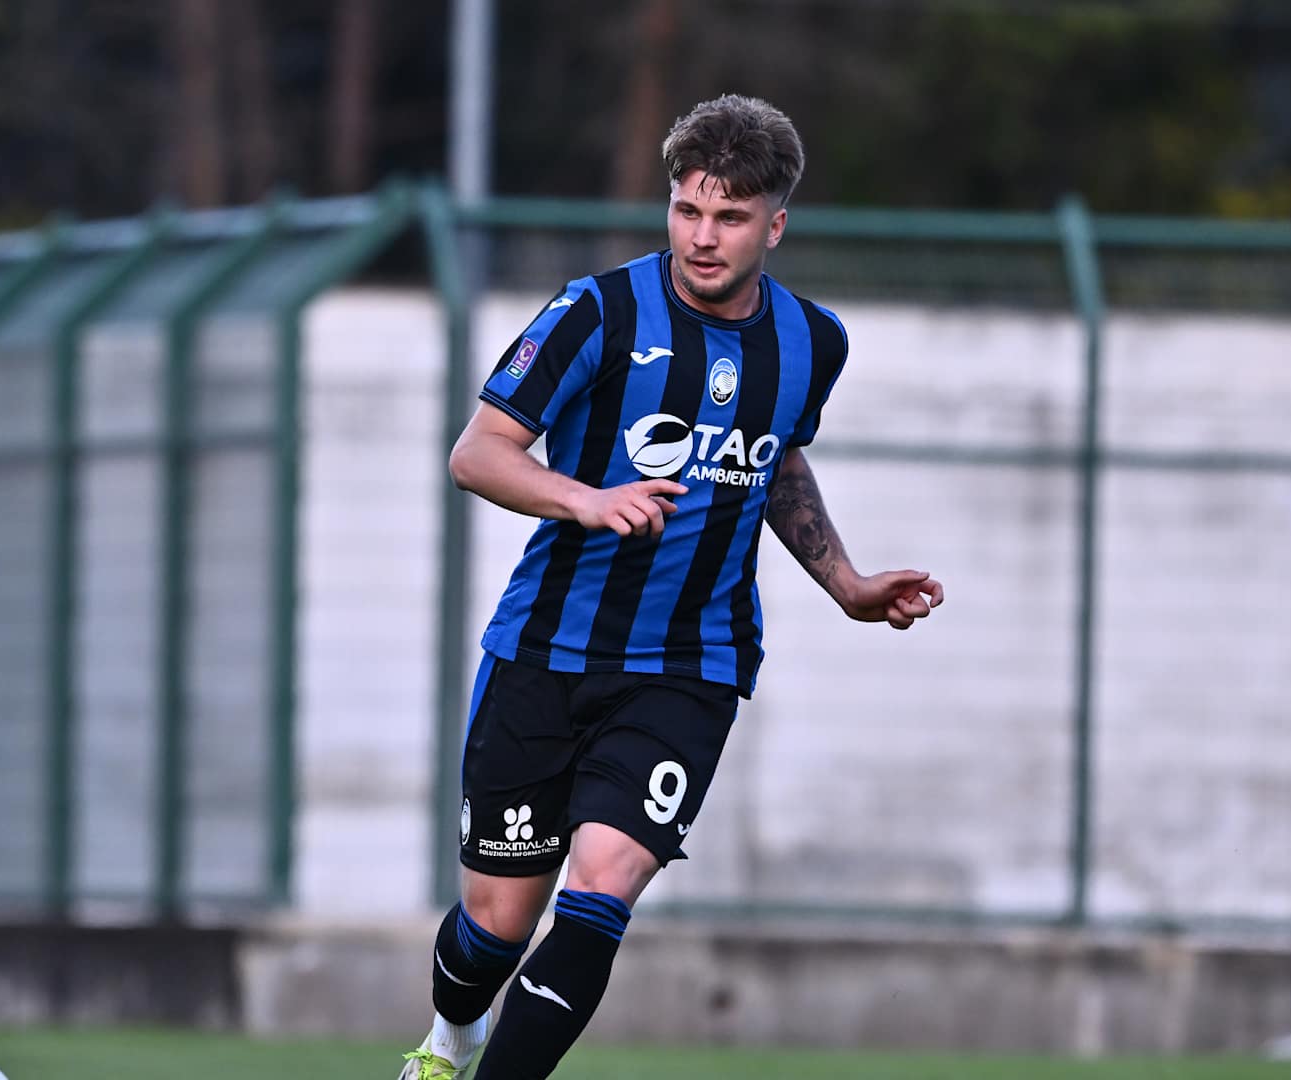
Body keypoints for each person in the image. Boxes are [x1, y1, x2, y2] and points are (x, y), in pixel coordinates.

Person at [399, 94, 944, 1080]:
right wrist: (583, 497)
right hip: (545, 650)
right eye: (688, 209)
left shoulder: (813, 342)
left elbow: (775, 460)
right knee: (494, 926)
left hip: (691, 665)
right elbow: (478, 453)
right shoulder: (597, 312)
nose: (703, 236)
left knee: (601, 887)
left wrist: (846, 583)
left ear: (775, 224)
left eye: (730, 216)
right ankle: (449, 1041)